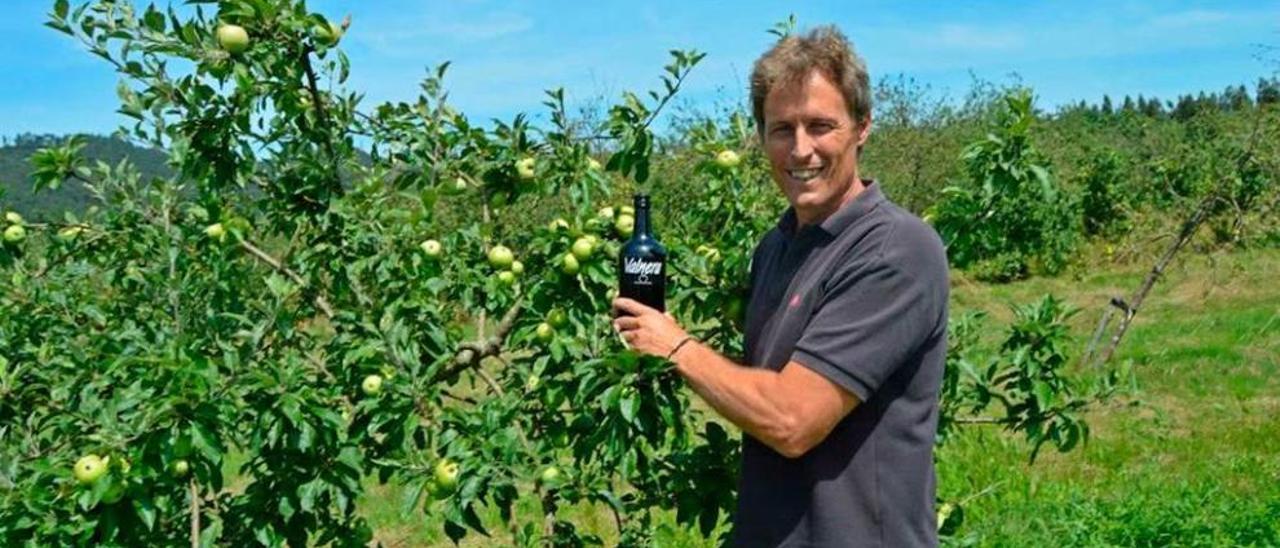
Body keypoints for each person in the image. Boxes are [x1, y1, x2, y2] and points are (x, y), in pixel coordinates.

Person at [611, 25, 949, 547]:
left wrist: (676, 346)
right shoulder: (775, 248)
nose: (801, 149)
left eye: (820, 125)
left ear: (862, 127)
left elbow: (792, 419)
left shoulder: (896, 249)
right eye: (781, 129)